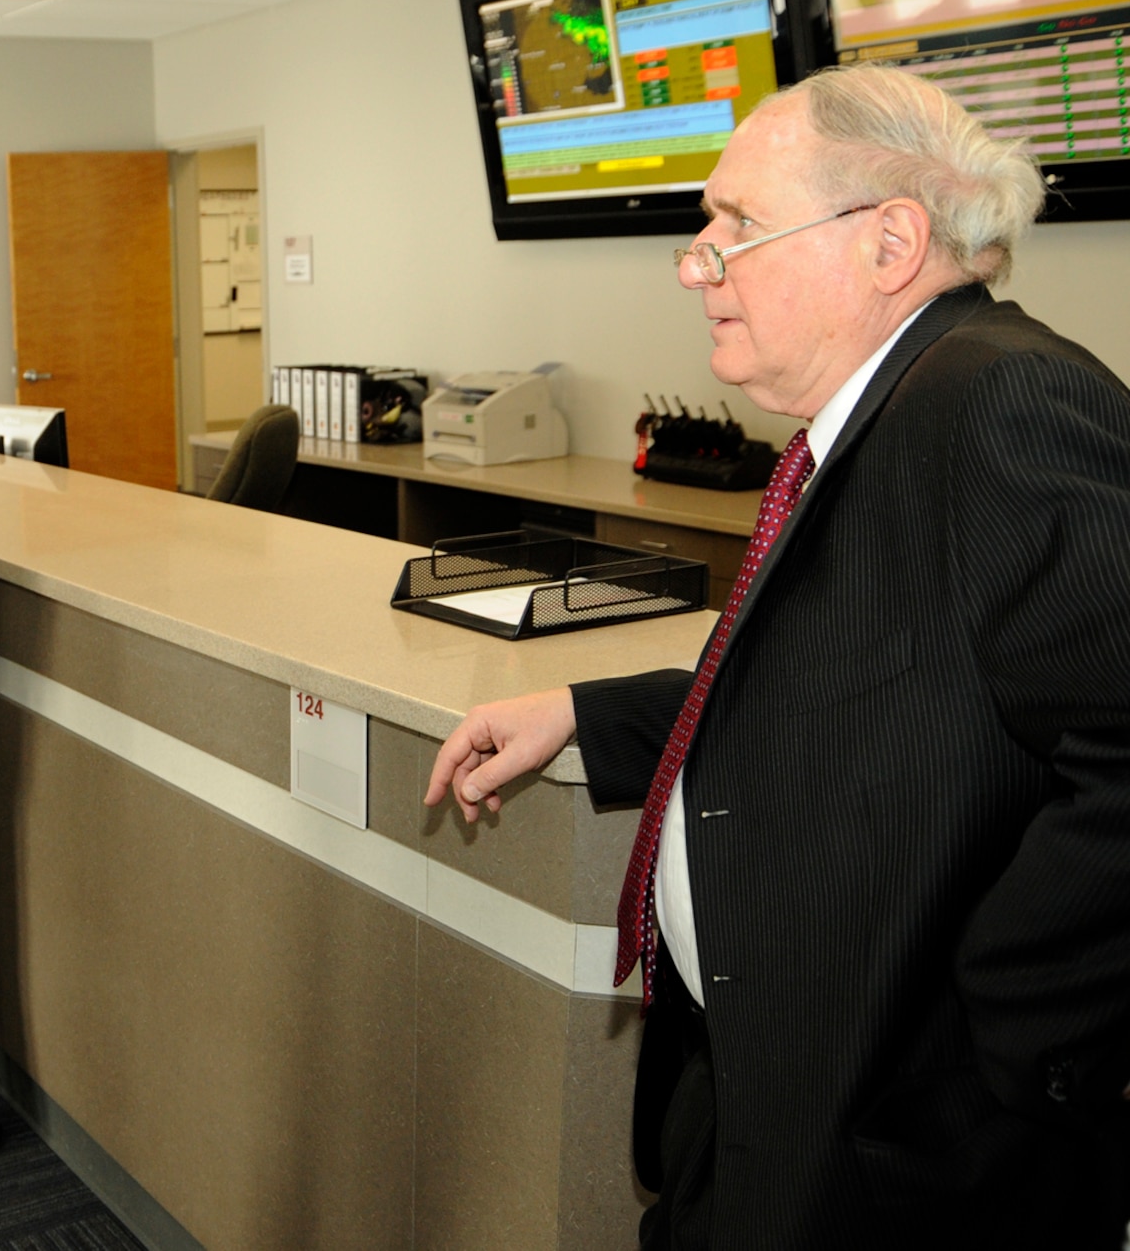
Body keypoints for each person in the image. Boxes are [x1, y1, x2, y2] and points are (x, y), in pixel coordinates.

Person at [425, 63, 1130, 1250]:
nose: (695, 261)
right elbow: (864, 680)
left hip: (902, 1145)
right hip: (761, 1098)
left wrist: (992, 1034)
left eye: (737, 224)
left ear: (889, 241)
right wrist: (596, 715)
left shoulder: (1002, 405)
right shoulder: (870, 418)